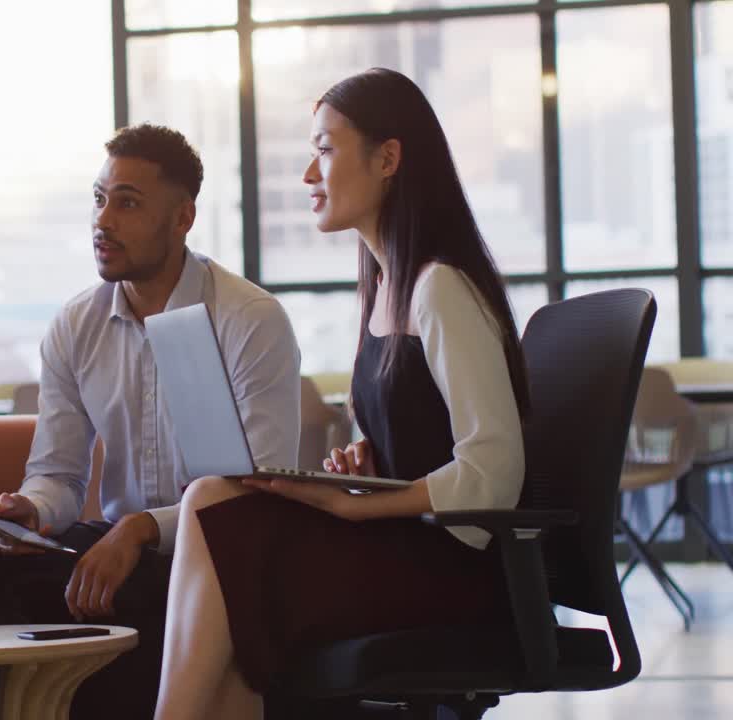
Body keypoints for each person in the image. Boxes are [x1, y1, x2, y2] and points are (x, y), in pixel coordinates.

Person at [153, 67, 530, 719]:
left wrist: (361, 509)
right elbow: (426, 438)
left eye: (325, 150)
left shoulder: (439, 288)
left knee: (217, 514)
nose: (309, 174)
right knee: (213, 501)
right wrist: (370, 468)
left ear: (387, 159)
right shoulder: (386, 287)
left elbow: (494, 471)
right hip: (408, 549)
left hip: (451, 574)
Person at [0, 124, 301, 719]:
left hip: (222, 556)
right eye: (99, 199)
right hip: (117, 548)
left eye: (127, 204)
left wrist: (140, 530)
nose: (103, 221)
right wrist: (32, 510)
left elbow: (260, 492)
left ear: (183, 218)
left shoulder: (249, 319)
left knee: (144, 592)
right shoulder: (75, 324)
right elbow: (59, 475)